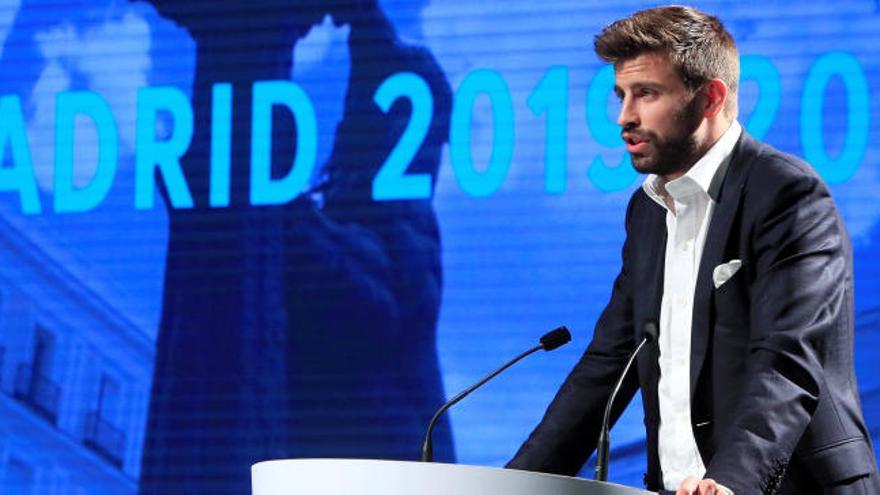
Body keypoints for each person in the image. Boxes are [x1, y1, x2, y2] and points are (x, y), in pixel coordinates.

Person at [506, 6, 879, 495]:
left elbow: (786, 360)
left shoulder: (786, 194)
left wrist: (729, 482)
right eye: (621, 95)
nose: (624, 117)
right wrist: (511, 483)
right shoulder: (646, 211)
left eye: (646, 94)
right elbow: (607, 366)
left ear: (710, 97)